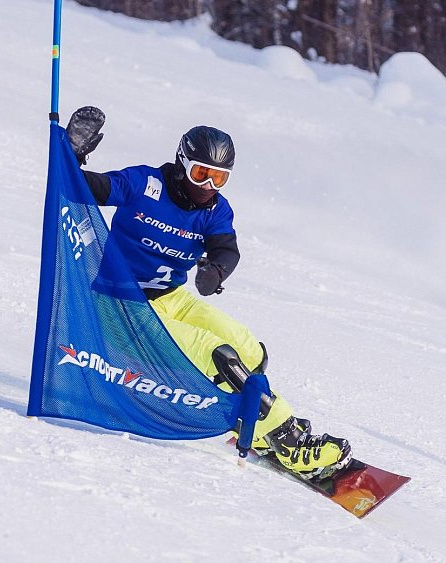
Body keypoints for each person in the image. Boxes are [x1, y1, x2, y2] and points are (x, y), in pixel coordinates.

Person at [64, 106, 352, 481]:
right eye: (201, 173)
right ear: (182, 163)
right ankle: (290, 442)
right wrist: (72, 155)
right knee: (221, 357)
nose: (208, 186)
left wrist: (215, 271)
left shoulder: (215, 209)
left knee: (248, 349)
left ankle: (252, 425)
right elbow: (88, 188)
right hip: (119, 309)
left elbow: (226, 249)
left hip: (169, 299)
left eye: (220, 178)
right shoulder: (145, 184)